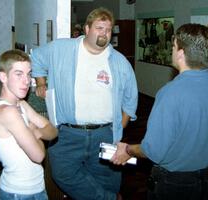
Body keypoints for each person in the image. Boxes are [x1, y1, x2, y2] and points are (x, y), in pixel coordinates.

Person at [111, 23, 208, 200]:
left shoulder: (170, 93)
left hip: (174, 185)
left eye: (173, 46)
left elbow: (153, 151)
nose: (172, 50)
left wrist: (128, 150)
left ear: (180, 52)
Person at [31, 7, 138, 200]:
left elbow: (131, 100)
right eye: (99, 28)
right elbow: (36, 57)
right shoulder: (61, 49)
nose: (104, 33)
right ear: (87, 29)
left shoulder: (120, 62)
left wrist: (118, 127)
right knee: (63, 173)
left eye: (108, 29)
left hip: (104, 133)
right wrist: (41, 82)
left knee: (108, 178)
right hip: (67, 133)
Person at [0, 49, 58, 200]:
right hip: (17, 193)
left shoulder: (21, 104)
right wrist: (34, 128)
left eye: (29, 74)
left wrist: (37, 133)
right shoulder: (6, 111)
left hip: (37, 189)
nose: (26, 81)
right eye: (19, 74)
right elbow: (38, 156)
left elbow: (53, 130)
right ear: (3, 77)